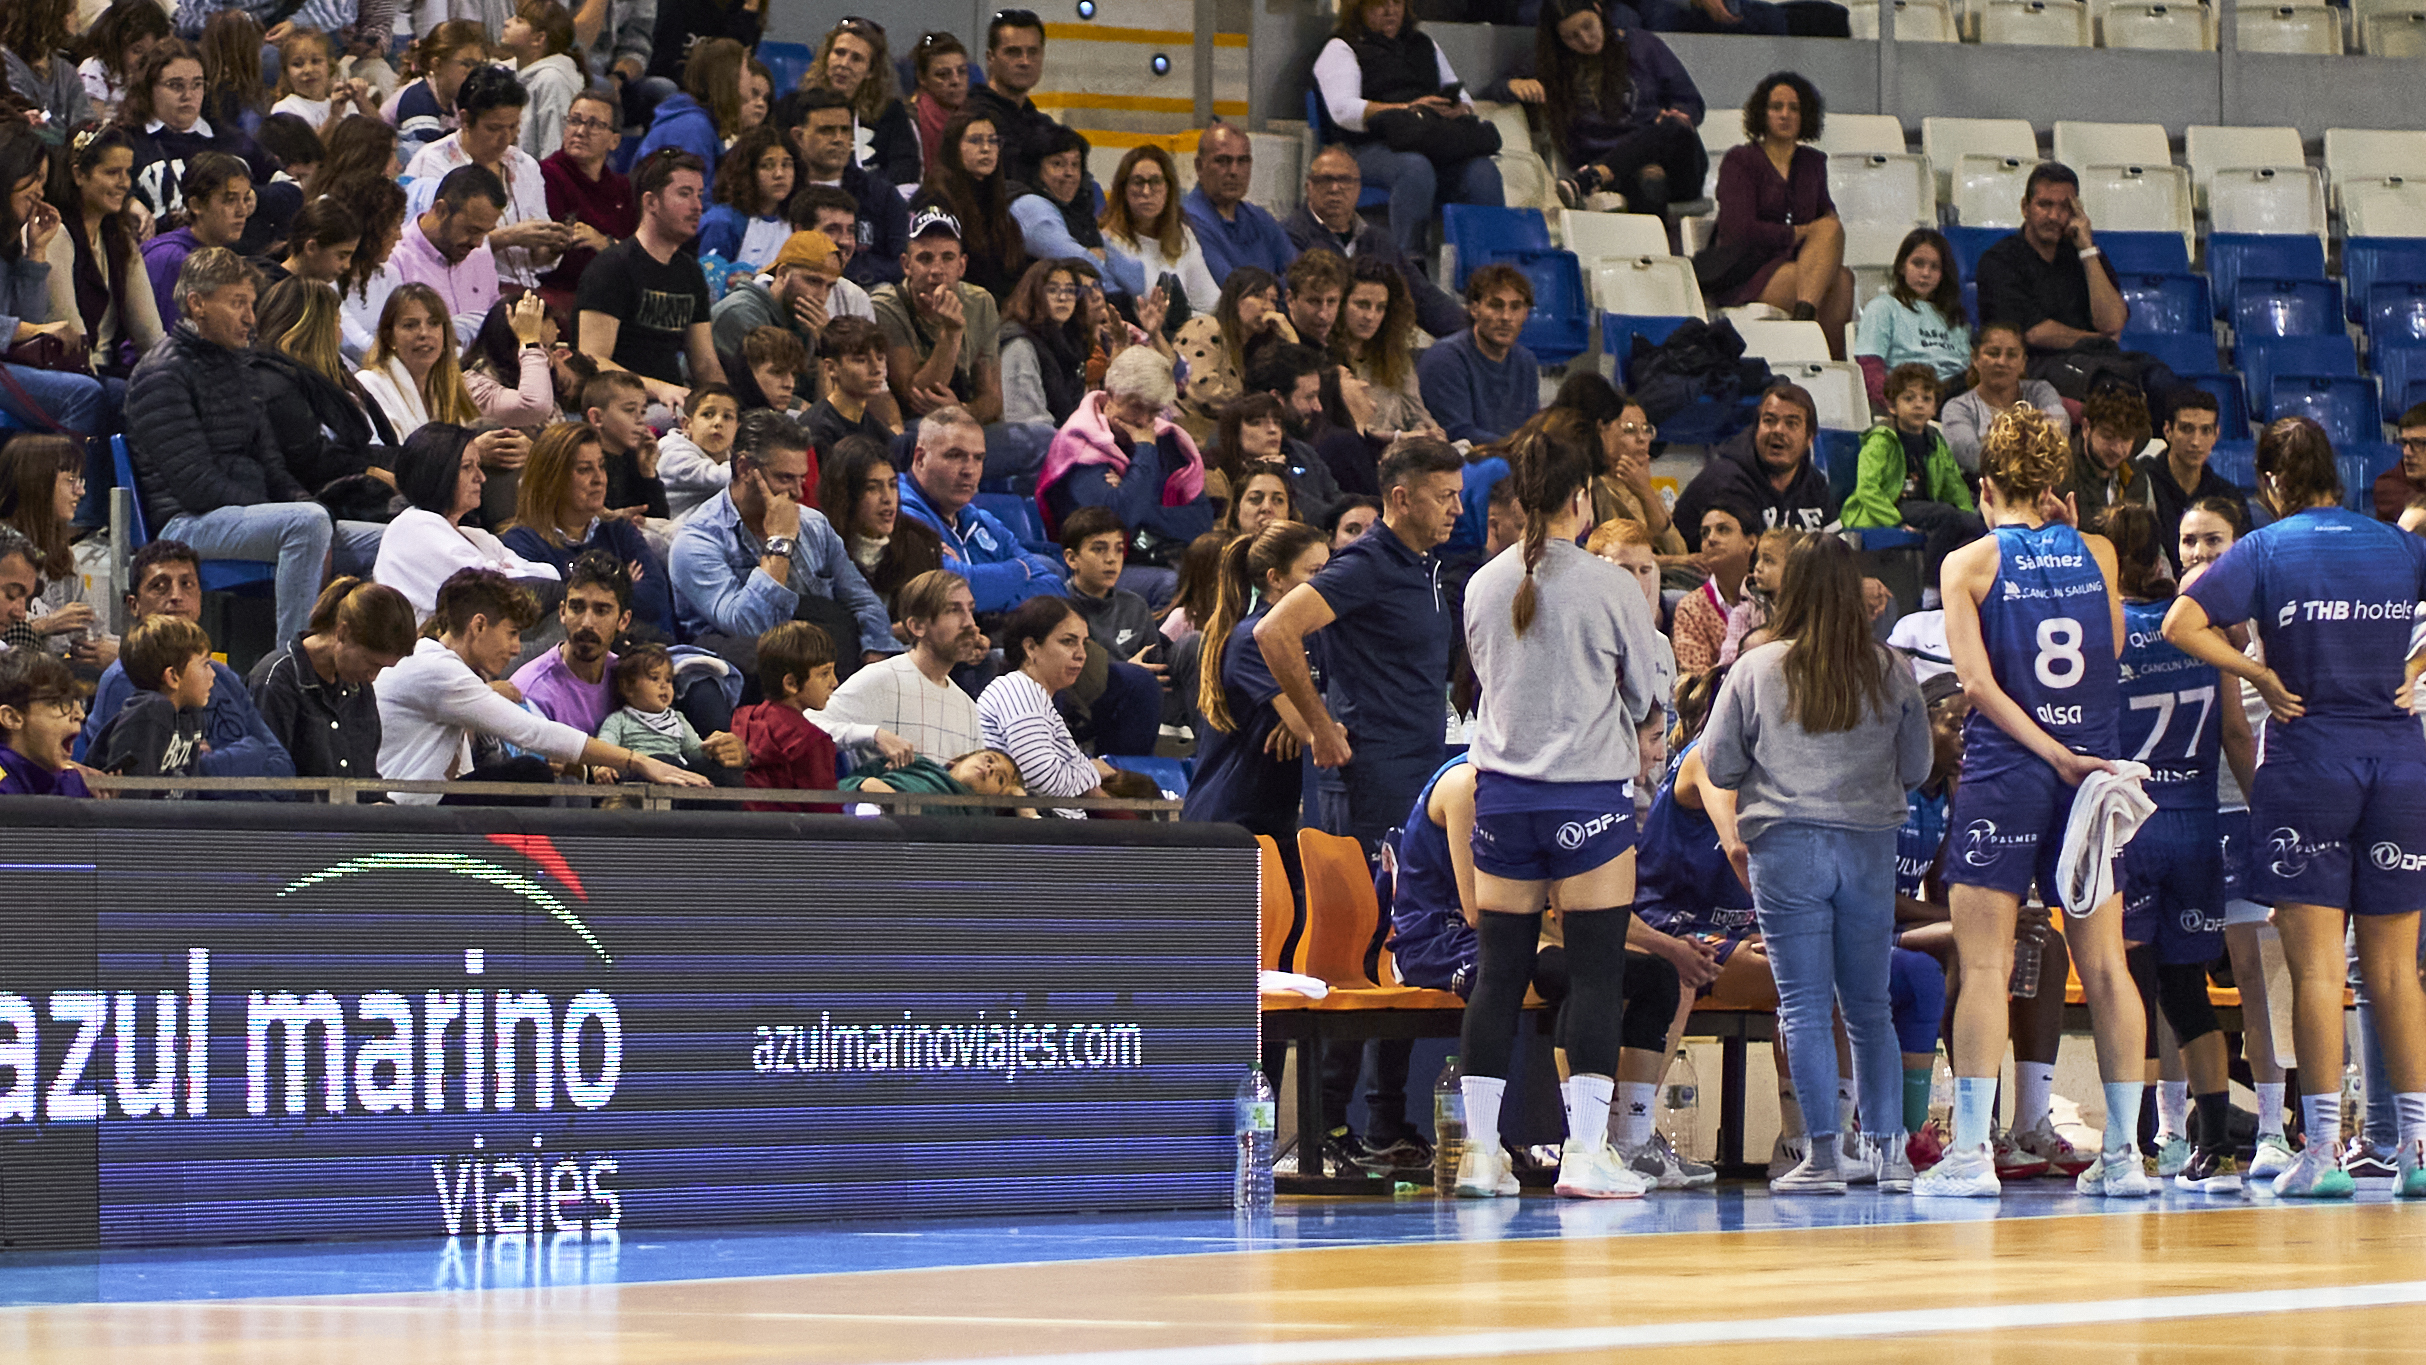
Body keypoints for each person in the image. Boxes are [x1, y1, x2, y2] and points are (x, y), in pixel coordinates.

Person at [2164, 416, 2426, 1199]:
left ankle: (2318, 1156)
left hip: (2309, 766)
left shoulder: (2267, 547)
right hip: (2401, 766)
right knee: (2395, 971)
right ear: (2335, 475)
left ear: (2273, 484)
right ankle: (2414, 1151)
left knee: (2316, 970)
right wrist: (2414, 665)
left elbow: (2181, 620)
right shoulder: (2397, 542)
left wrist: (2258, 674)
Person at [1913, 403, 2150, 1200]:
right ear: (2056, 486)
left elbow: (1975, 683)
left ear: (1986, 486)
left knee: (1986, 964)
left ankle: (1973, 1153)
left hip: (2009, 773)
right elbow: (2110, 649)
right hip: (2091, 780)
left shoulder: (1969, 564)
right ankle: (2123, 1157)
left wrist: (2047, 749)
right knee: (2108, 968)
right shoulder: (2101, 552)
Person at [1447, 418, 1665, 1199]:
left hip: (1501, 794)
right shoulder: (1607, 584)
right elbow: (1645, 689)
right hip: (1586, 798)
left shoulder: (1481, 582)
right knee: (1597, 973)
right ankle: (1584, 1152)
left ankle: (1479, 1154)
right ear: (1581, 497)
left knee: (1499, 973)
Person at [1699, 534, 1932, 1193]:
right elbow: (1917, 767)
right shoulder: (1892, 668)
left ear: (1791, 589)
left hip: (1786, 846)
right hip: (1868, 846)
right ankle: (1889, 1154)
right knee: (1868, 1007)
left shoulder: (1756, 668)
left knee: (1802, 1005)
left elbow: (1719, 763)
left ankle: (1823, 1156)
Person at [2091, 501, 2255, 1193]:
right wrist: (2268, 807)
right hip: (2195, 823)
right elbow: (2238, 735)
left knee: (2127, 983)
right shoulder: (2197, 628)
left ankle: (2127, 1144)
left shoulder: (2108, 632)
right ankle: (2214, 1140)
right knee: (2190, 989)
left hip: (2130, 823)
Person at [125, 248, 378, 648]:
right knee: (306, 523)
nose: (250, 317)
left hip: (249, 515)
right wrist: (291, 513)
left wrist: (304, 503)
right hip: (186, 523)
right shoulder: (161, 375)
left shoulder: (240, 365)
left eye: (252, 304)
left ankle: (363, 663)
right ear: (198, 304)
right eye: (237, 303)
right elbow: (195, 485)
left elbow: (273, 465)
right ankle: (290, 666)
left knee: (394, 537)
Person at [1257, 436, 1463, 850]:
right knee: (1370, 905)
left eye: (1458, 495)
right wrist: (1319, 727)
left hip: (1421, 760)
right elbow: (1274, 631)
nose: (1457, 509)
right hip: (1373, 772)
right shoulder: (1365, 564)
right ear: (1402, 499)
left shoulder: (1424, 563)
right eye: (1445, 497)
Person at [374, 567, 709, 803]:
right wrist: (639, 761)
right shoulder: (437, 668)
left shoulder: (448, 670)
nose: (518, 648)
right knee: (530, 774)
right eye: (512, 633)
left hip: (422, 803)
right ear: (478, 626)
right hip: (399, 809)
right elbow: (533, 732)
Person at [671, 409, 902, 667]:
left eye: (801, 478)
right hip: (747, 673)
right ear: (745, 467)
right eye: (784, 478)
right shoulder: (696, 542)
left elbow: (862, 600)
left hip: (823, 664)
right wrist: (780, 541)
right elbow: (748, 627)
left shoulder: (814, 524)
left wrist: (875, 651)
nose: (797, 492)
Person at [1311, 0, 1503, 258]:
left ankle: (1490, 266)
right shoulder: (1340, 48)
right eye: (1380, 4)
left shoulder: (1424, 45)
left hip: (1427, 141)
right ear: (1358, 8)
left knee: (1483, 171)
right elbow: (1343, 111)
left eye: (1397, 2)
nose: (1391, 11)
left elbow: (1465, 99)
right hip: (1366, 147)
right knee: (1414, 168)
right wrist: (1407, 108)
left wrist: (1458, 109)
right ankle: (1410, 265)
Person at [1181, 519, 1332, 836]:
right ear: (1275, 579)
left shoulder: (1314, 635)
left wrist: (1307, 712)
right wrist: (1308, 718)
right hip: (1230, 820)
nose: (1328, 584)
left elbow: (1313, 715)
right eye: (1316, 573)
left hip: (1277, 815)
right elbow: (1311, 728)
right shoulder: (1254, 638)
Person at [1498, 0, 1704, 220]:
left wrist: (1680, 112)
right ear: (1559, 39)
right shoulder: (1554, 63)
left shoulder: (1642, 46)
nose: (1585, 40)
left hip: (1673, 163)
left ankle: (1595, 175)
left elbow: (1692, 102)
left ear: (1598, 11)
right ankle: (1653, 251)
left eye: (1588, 26)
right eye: (1572, 36)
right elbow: (1494, 88)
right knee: (1650, 179)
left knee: (1676, 126)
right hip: (1618, 170)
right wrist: (1511, 86)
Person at [1707, 72, 1851, 355]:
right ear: (1763, 113)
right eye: (1776, 107)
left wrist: (1813, 236)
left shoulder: (1812, 162)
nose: (1785, 115)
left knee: (1842, 270)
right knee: (1837, 279)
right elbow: (1738, 230)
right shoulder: (1741, 160)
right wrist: (1796, 233)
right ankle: (1814, 349)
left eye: (1794, 108)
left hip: (1798, 267)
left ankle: (1820, 351)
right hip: (1747, 271)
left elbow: (1827, 218)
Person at [500, 421, 676, 641]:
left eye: (601, 466)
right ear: (551, 478)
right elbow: (548, 617)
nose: (599, 479)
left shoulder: (619, 530)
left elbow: (655, 600)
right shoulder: (521, 542)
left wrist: (579, 593)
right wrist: (621, 587)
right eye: (584, 470)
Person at [577, 148, 724, 409]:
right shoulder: (612, 267)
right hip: (620, 406)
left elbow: (705, 364)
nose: (697, 206)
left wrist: (730, 407)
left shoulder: (689, 272)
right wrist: (661, 389)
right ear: (651, 202)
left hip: (673, 402)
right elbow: (593, 360)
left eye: (700, 195)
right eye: (684, 194)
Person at [401, 65, 567, 294]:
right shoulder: (433, 163)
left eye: (513, 126)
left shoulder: (525, 165)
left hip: (527, 290)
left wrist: (553, 246)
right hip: (456, 290)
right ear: (465, 119)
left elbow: (536, 260)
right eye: (494, 128)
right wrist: (509, 237)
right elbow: (426, 247)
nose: (505, 138)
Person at [373, 423, 559, 621]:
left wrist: (501, 571)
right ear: (437, 473)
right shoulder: (412, 527)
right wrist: (505, 569)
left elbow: (549, 576)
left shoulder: (477, 537)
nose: (481, 477)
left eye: (478, 466)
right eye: (467, 467)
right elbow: (494, 595)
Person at [1037, 346, 1213, 553]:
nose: (1144, 422)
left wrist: (1140, 501)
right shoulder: (1080, 445)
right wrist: (1145, 450)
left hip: (1162, 554)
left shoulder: (1165, 438)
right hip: (1097, 567)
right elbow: (1119, 517)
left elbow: (1202, 521)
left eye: (1154, 411)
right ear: (1111, 394)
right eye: (1136, 407)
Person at [1283, 148, 1468, 342]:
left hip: (1375, 354)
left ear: (1358, 188)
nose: (1335, 188)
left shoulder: (1379, 241)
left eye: (1345, 180)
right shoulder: (1288, 237)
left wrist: (1474, 334)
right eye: (1325, 180)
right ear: (1308, 186)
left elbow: (1423, 297)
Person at [1974, 162, 2131, 388]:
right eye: (2044, 205)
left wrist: (2086, 249)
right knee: (2107, 385)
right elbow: (2034, 333)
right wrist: (2098, 341)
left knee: (2155, 376)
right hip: (2033, 365)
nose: (2054, 216)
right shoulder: (1999, 260)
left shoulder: (2085, 254)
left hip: (2093, 361)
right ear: (2025, 208)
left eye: (2065, 207)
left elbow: (2113, 322)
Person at [895, 406, 1066, 613]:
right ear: (920, 458)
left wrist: (983, 598)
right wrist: (1021, 569)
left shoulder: (981, 519)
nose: (969, 470)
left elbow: (1053, 587)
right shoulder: (901, 515)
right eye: (955, 455)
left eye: (978, 458)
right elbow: (948, 595)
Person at [245, 576, 414, 785]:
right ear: (342, 632)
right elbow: (265, 782)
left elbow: (366, 776)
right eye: (371, 664)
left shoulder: (360, 688)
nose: (373, 676)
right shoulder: (277, 680)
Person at [0, 128, 112, 443]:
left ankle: (112, 491)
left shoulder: (9, 240)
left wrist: (35, 251)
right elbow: (30, 326)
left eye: (44, 182)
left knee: (120, 395)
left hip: (9, 363)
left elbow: (29, 314)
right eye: (33, 178)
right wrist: (34, 331)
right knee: (82, 394)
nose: (39, 191)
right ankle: (72, 491)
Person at [41, 122, 164, 405]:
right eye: (112, 172)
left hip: (110, 372)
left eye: (127, 172)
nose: (124, 183)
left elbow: (150, 334)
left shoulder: (119, 239)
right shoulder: (55, 234)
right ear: (78, 175)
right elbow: (71, 338)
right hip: (73, 376)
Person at [251, 278, 396, 501]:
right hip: (329, 500)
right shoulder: (275, 382)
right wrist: (370, 470)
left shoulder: (336, 375)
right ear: (314, 329)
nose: (340, 335)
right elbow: (311, 462)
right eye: (337, 323)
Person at [822, 568, 985, 762]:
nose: (970, 623)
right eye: (953, 610)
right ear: (917, 627)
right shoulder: (879, 679)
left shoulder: (967, 707)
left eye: (970, 609)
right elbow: (810, 725)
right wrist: (873, 735)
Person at [871, 209, 1009, 437]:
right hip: (913, 429)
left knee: (1040, 438)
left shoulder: (981, 302)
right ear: (906, 265)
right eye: (925, 258)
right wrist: (951, 332)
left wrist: (962, 410)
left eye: (947, 258)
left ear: (962, 266)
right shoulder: (885, 306)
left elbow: (993, 398)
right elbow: (918, 397)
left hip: (965, 418)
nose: (936, 270)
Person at [1842, 363, 1984, 582]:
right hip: (1894, 507)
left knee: (1975, 524)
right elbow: (1867, 488)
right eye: (1909, 398)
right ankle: (1932, 587)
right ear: (1892, 406)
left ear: (1935, 407)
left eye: (1926, 399)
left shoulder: (1935, 440)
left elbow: (1953, 483)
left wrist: (1967, 515)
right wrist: (1895, 521)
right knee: (1946, 516)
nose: (1918, 405)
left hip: (1927, 507)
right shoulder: (1881, 440)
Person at [977, 595, 1114, 814]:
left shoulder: (1038, 697)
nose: (1081, 655)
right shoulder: (1019, 689)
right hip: (1038, 837)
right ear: (1031, 647)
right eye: (1068, 641)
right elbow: (1043, 780)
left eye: (1083, 643)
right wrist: (1092, 771)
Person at [1671, 384, 1839, 551]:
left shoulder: (1814, 483)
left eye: (1791, 423)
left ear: (1809, 438)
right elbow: (1745, 566)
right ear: (1756, 428)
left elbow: (1839, 555)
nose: (1778, 430)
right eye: (1769, 421)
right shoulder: (1727, 481)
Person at [779, 88, 910, 292]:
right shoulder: (781, 193)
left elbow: (903, 261)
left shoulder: (880, 194)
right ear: (798, 137)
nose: (839, 139)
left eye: (845, 130)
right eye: (827, 130)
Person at [120, 40, 257, 221]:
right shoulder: (126, 140)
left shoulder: (230, 139)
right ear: (148, 88)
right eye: (176, 85)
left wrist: (255, 196)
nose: (188, 95)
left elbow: (290, 186)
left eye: (197, 84)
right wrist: (129, 202)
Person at [1553, 373, 1683, 557]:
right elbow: (1625, 558)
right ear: (1602, 429)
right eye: (1629, 430)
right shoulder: (1598, 488)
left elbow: (1678, 551)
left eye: (1646, 429)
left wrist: (1647, 494)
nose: (1642, 438)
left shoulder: (1640, 484)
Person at [505, 549, 630, 735]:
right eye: (577, 608)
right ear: (563, 612)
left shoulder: (629, 679)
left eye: (601, 611)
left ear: (623, 620)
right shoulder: (532, 692)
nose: (587, 622)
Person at [85, 612, 215, 791]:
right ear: (173, 677)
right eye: (205, 664)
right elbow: (132, 804)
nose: (213, 674)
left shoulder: (191, 713)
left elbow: (189, 790)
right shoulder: (149, 714)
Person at [1010, 126, 1142, 302]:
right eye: (1057, 164)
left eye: (1075, 164)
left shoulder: (1078, 210)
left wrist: (1102, 259)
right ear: (1036, 170)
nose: (1069, 173)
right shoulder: (1030, 207)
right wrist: (1097, 261)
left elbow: (1137, 280)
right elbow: (1084, 266)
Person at [1417, 265, 1540, 447]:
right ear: (1474, 309)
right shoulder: (1444, 358)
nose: (1506, 317)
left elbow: (1531, 429)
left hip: (1513, 463)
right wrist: (1522, 448)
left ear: (1526, 313)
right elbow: (1458, 434)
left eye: (1515, 307)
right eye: (1495, 305)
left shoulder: (1526, 361)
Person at [538, 89, 635, 317]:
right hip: (560, 294)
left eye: (594, 124)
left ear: (614, 140)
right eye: (575, 121)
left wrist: (604, 243)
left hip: (612, 294)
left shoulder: (622, 188)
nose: (581, 131)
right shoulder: (546, 175)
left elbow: (635, 252)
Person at [914, 111, 1027, 303]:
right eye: (975, 140)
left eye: (993, 141)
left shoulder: (996, 202)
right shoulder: (935, 199)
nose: (986, 149)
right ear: (954, 148)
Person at [729, 620, 842, 811]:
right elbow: (826, 816)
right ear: (790, 683)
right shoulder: (813, 741)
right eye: (824, 674)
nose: (834, 682)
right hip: (795, 838)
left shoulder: (742, 719)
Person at [1856, 227, 1972, 409]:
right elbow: (1869, 368)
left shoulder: (1953, 316)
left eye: (1934, 267)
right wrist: (1895, 404)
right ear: (1902, 266)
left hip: (1958, 395)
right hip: (1912, 395)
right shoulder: (1884, 307)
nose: (1926, 273)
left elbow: (1967, 368)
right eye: (1918, 264)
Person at [140, 151, 253, 335]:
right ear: (196, 205)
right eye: (230, 200)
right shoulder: (170, 258)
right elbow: (160, 343)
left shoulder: (224, 257)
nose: (242, 211)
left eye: (246, 199)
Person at [2136, 389, 2248, 572]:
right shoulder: (2142, 484)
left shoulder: (2229, 496)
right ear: (2167, 431)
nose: (2196, 441)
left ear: (2216, 435)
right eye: (2186, 429)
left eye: (2206, 430)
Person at [356, 281, 482, 443]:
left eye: (434, 323)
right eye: (410, 325)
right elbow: (386, 457)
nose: (424, 333)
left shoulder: (456, 384)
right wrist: (469, 450)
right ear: (389, 337)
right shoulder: (369, 384)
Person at [1098, 145, 1218, 316]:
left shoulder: (1183, 235)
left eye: (1155, 181)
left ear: (1168, 188)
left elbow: (1210, 304)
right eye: (1138, 182)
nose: (1146, 192)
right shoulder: (1106, 242)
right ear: (1123, 189)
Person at [1941, 321, 2068, 476]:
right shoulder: (1957, 408)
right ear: (1975, 358)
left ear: (2023, 363)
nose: (2001, 362)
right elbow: (1970, 457)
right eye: (1993, 353)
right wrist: (2031, 452)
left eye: (2012, 355)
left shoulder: (2040, 391)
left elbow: (2057, 434)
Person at [1174, 269, 1289, 439]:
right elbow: (1203, 390)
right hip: (1190, 432)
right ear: (1234, 298)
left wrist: (1290, 340)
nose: (1266, 307)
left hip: (1226, 437)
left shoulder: (1253, 351)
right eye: (1257, 296)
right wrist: (1257, 407)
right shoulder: (1205, 327)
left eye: (1272, 300)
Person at [387, 164, 504, 330]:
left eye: (485, 233)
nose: (478, 243)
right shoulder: (395, 259)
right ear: (441, 210)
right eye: (472, 230)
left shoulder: (481, 256)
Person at [1182, 123, 1295, 285]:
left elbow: (1302, 278)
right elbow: (1234, 290)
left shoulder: (1260, 218)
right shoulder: (1189, 219)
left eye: (1242, 161)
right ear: (1199, 167)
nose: (1234, 171)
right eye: (1222, 161)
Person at [596, 644, 739, 772]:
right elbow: (605, 748)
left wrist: (713, 750)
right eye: (654, 678)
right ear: (628, 687)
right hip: (636, 775)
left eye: (668, 680)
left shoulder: (677, 719)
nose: (664, 686)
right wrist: (602, 767)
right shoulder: (619, 720)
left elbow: (695, 751)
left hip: (675, 775)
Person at [961, 8, 1057, 192]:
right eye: (1013, 52)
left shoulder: (1043, 125)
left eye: (1033, 52)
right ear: (990, 58)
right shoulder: (969, 117)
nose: (1025, 61)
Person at [632, 37, 750, 183]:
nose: (751, 76)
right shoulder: (692, 127)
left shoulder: (704, 122)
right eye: (746, 68)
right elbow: (685, 193)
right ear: (731, 76)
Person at [1000, 258, 1096, 434]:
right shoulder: (1019, 344)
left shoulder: (1073, 343)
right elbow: (1027, 421)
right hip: (1032, 445)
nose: (1063, 298)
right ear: (1034, 294)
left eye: (1070, 290)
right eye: (1052, 290)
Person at [698, 126, 796, 275]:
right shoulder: (723, 222)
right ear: (748, 171)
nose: (779, 174)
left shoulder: (795, 219)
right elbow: (710, 284)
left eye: (786, 164)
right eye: (767, 165)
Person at [0, 647, 96, 797]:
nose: (79, 715)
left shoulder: (69, 781)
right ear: (11, 718)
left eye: (75, 701)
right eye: (57, 702)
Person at [803, 315, 900, 458]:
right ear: (831, 368)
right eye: (861, 361)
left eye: (880, 358)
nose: (876, 369)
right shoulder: (816, 430)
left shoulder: (876, 428)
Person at [388, 22, 487, 162]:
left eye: (479, 65)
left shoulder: (455, 96)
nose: (474, 73)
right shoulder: (418, 100)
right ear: (437, 65)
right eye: (466, 64)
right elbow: (428, 160)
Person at [1672, 503, 1751, 674]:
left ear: (1751, 542)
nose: (1711, 539)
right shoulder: (1691, 607)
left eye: (1723, 529)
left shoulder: (1769, 596)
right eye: (1704, 533)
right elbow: (1695, 682)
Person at [502, 0, 586, 160]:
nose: (507, 23)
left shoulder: (553, 80)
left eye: (518, 21)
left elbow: (553, 147)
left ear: (539, 38)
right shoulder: (508, 70)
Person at [2061, 386, 2157, 518]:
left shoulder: (2135, 475)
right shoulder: (2060, 472)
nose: (2117, 449)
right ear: (2086, 428)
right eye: (2108, 436)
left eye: (2126, 438)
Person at [76, 0, 172, 126]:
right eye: (137, 50)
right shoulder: (94, 70)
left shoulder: (150, 75)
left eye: (152, 53)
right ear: (116, 44)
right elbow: (92, 124)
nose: (143, 61)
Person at [656, 383, 738, 522]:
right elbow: (717, 479)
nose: (718, 422)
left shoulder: (729, 457)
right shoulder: (673, 453)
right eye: (707, 414)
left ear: (737, 428)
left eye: (727, 417)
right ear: (687, 425)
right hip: (667, 532)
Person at [268, 27, 370, 134]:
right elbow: (308, 150)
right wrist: (333, 117)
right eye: (297, 64)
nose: (308, 70)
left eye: (316, 61)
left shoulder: (344, 105)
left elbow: (379, 137)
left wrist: (362, 100)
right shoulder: (284, 110)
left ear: (330, 66)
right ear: (286, 72)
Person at [906, 31, 969, 177]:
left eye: (962, 71)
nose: (956, 81)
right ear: (922, 78)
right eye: (943, 74)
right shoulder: (909, 120)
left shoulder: (978, 114)